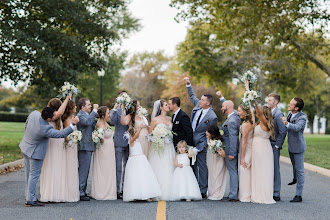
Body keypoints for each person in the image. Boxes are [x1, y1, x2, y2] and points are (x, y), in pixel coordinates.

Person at [19, 107, 78, 207]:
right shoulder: (45, 128)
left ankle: (28, 196)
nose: (56, 115)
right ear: (49, 120)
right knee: (34, 175)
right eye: (54, 115)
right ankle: (30, 200)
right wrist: (73, 124)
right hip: (34, 153)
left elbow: (26, 125)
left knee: (29, 175)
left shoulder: (34, 114)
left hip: (25, 146)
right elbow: (61, 134)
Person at [184, 77, 218, 198]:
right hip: (190, 140)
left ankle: (203, 190)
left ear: (207, 103)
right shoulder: (198, 106)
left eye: (202, 100)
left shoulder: (212, 116)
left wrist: (200, 147)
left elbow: (210, 134)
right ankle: (193, 187)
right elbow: (192, 96)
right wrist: (188, 85)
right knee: (192, 165)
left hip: (201, 144)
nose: (200, 101)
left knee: (202, 166)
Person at [40, 96, 70, 202]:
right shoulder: (52, 117)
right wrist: (67, 98)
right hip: (53, 145)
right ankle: (53, 194)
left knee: (53, 167)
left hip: (56, 145)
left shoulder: (54, 117)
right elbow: (61, 112)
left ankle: (52, 193)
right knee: (53, 167)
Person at [123, 124, 161, 202]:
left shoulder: (136, 141)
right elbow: (136, 135)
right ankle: (135, 194)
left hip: (141, 159)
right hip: (135, 161)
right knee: (135, 177)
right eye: (136, 133)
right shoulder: (131, 140)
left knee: (143, 176)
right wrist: (140, 128)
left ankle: (146, 194)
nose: (138, 134)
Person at [148, 99, 175, 201]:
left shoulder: (170, 119)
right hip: (159, 146)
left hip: (169, 146)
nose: (168, 106)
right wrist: (158, 136)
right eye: (166, 105)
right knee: (159, 167)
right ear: (160, 107)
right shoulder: (155, 120)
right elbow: (149, 134)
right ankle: (157, 191)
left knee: (169, 166)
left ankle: (170, 191)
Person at [281, 97, 307, 203]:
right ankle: (295, 178)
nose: (288, 105)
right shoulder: (290, 114)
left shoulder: (302, 117)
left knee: (300, 171)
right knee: (294, 166)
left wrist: (286, 123)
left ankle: (298, 195)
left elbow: (297, 128)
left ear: (296, 108)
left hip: (299, 147)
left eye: (291, 104)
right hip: (291, 146)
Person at [250, 101, 276, 204]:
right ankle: (257, 193)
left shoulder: (265, 123)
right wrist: (249, 97)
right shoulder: (258, 122)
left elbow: (259, 113)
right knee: (258, 171)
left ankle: (263, 195)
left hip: (263, 149)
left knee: (263, 171)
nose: (257, 113)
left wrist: (254, 100)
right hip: (257, 148)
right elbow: (254, 114)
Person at [216, 91, 240, 202]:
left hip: (231, 149)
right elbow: (227, 104)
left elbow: (234, 138)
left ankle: (233, 195)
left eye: (223, 106)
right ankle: (232, 193)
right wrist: (221, 97)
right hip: (229, 148)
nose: (222, 107)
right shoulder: (233, 114)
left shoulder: (232, 120)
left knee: (232, 171)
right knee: (232, 171)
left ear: (229, 107)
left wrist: (232, 153)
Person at [91, 106, 117, 200]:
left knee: (109, 169)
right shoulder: (99, 124)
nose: (109, 115)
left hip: (110, 149)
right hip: (103, 150)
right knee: (103, 170)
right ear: (103, 115)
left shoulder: (106, 122)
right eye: (108, 113)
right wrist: (99, 139)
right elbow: (99, 138)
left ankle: (110, 192)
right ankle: (101, 192)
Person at [77, 98, 99, 201]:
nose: (91, 106)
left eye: (91, 105)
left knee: (86, 170)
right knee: (83, 170)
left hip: (89, 146)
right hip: (84, 147)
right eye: (89, 105)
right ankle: (80, 192)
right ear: (83, 107)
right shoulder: (80, 116)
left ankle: (83, 191)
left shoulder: (86, 115)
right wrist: (94, 111)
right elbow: (87, 122)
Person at [267, 93, 287, 201]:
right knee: (268, 169)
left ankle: (276, 193)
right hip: (266, 144)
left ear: (276, 102)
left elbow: (283, 131)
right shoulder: (269, 112)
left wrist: (277, 145)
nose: (268, 102)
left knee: (275, 169)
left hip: (274, 145)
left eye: (270, 100)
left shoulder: (279, 114)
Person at [110, 91, 129, 199]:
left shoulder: (131, 110)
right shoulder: (116, 110)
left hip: (130, 142)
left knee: (128, 165)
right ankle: (117, 190)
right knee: (118, 166)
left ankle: (125, 188)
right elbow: (112, 122)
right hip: (118, 140)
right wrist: (115, 107)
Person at [62, 100, 80, 202]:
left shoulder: (73, 119)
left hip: (74, 146)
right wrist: (72, 139)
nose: (76, 107)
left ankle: (74, 193)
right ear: (70, 108)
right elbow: (65, 135)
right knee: (70, 167)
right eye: (74, 106)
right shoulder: (66, 121)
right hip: (69, 147)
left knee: (74, 167)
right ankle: (68, 193)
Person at [237, 104, 254, 202]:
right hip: (252, 148)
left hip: (247, 149)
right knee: (248, 171)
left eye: (239, 111)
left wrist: (242, 158)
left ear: (245, 112)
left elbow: (243, 142)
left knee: (244, 169)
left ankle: (245, 195)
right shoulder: (251, 121)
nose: (238, 113)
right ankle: (249, 193)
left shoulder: (245, 125)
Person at [205, 125, 227, 201]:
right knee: (212, 175)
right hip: (211, 159)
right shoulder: (208, 140)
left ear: (212, 133)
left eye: (208, 131)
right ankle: (212, 192)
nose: (206, 133)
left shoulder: (218, 142)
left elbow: (220, 151)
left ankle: (217, 193)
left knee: (217, 175)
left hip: (218, 159)